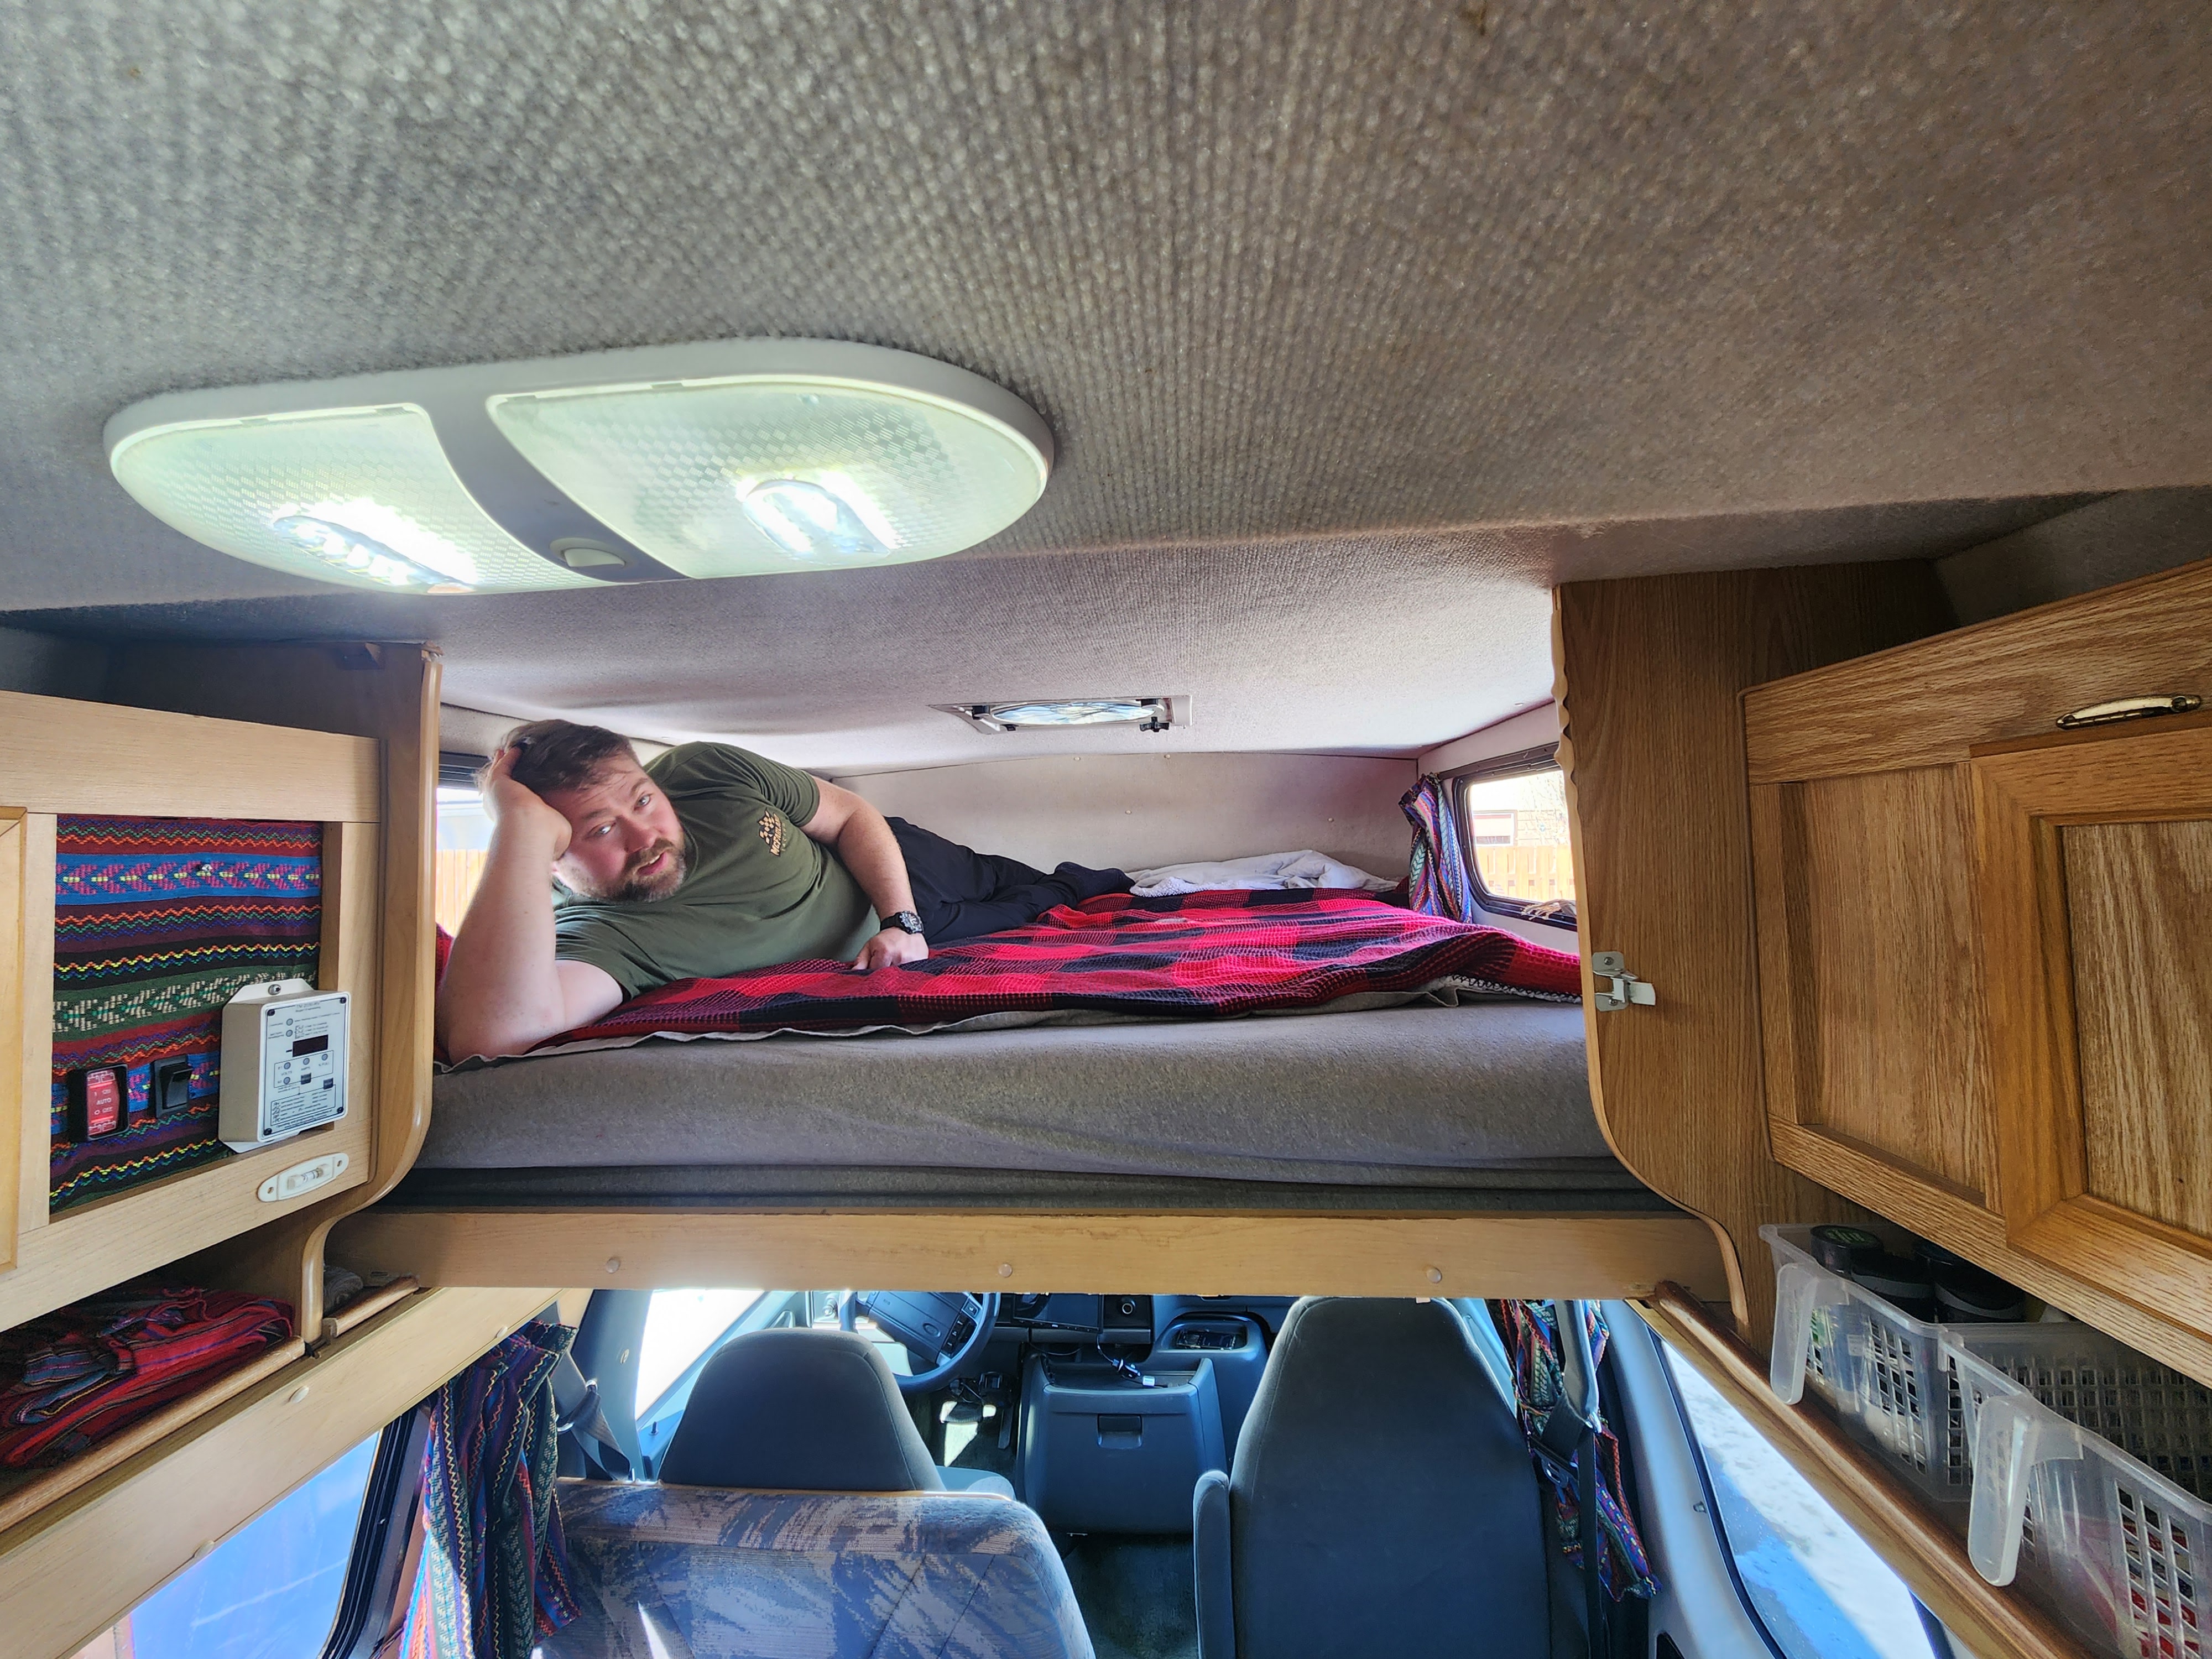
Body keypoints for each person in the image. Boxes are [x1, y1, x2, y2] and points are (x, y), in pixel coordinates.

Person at [436, 719, 1130, 1058]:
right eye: (597, 830)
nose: (643, 837)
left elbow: (852, 814)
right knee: (1041, 918)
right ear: (550, 850)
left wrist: (903, 920)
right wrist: (518, 829)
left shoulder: (706, 769)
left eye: (642, 801)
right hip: (885, 958)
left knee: (1055, 888)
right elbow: (492, 1038)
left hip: (897, 874)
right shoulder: (594, 936)